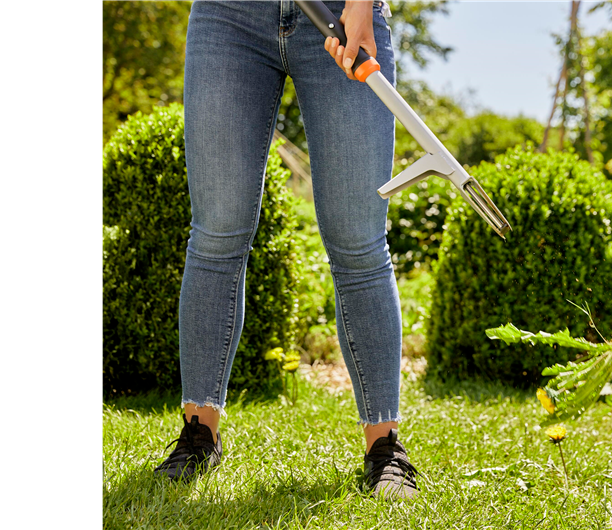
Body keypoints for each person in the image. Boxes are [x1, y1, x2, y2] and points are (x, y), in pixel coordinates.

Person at [152, 0, 418, 499]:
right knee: (217, 234)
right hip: (227, 15)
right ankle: (198, 435)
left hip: (341, 13)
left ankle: (385, 448)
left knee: (358, 240)